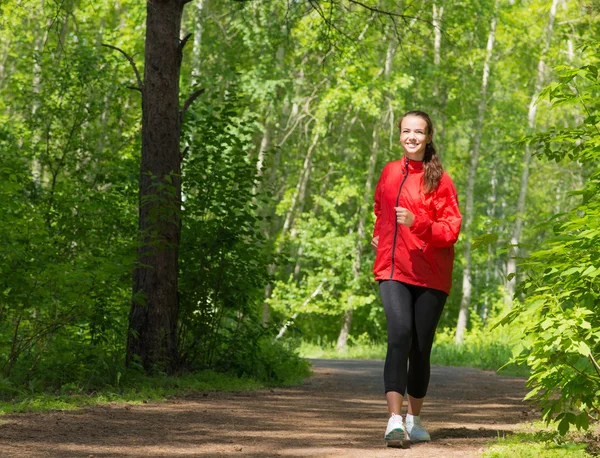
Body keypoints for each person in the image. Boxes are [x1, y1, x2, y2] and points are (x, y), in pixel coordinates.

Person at [371, 110, 462, 446]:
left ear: (428, 137)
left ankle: (415, 419)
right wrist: (380, 233)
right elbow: (381, 208)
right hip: (392, 269)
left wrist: (416, 222)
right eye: (406, 131)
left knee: (420, 347)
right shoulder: (390, 172)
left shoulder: (440, 180)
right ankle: (394, 421)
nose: (411, 137)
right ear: (399, 135)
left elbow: (450, 231)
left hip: (430, 275)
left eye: (418, 132)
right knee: (400, 335)